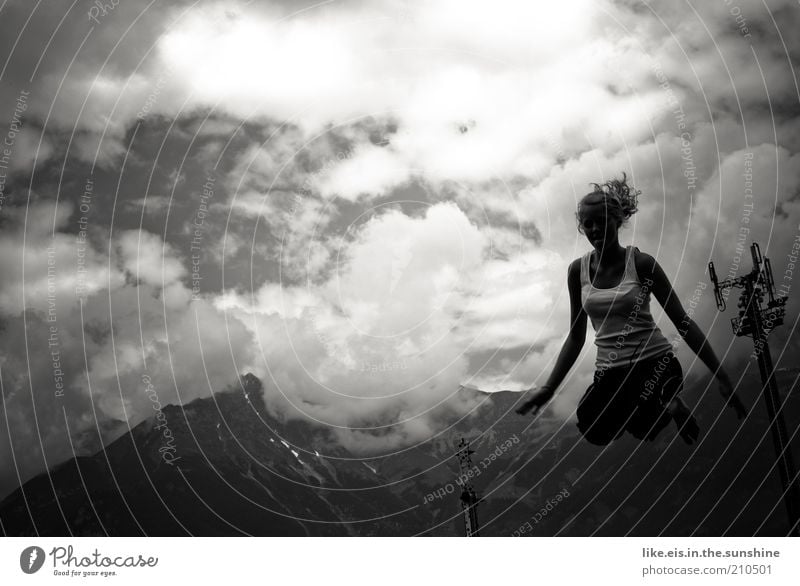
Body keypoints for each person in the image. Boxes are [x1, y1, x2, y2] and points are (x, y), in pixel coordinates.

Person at [516, 173, 747, 445]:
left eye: (601, 221)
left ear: (617, 219)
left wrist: (721, 376)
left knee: (647, 413)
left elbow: (682, 321)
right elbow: (576, 336)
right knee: (595, 429)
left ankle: (668, 400)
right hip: (611, 371)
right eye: (587, 224)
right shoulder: (577, 272)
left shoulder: (642, 264)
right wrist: (548, 388)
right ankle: (668, 406)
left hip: (655, 363)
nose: (594, 230)